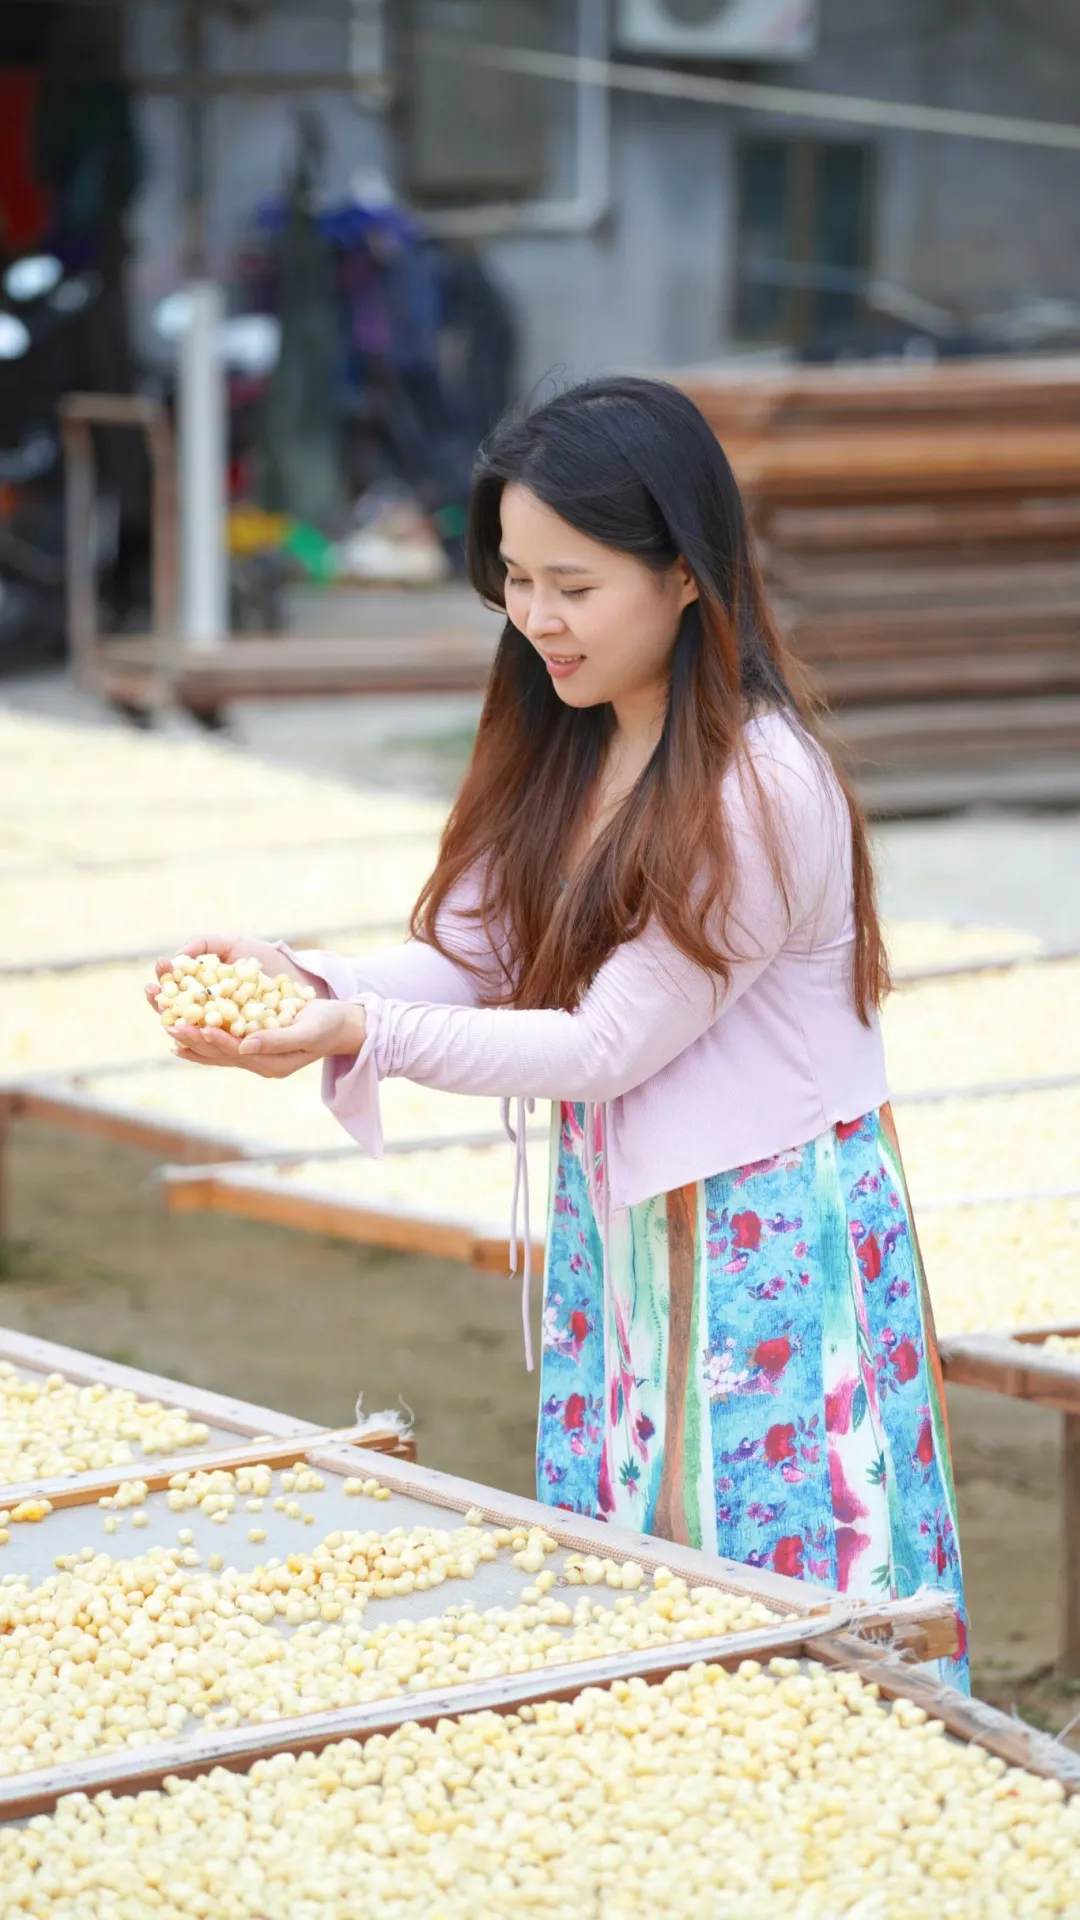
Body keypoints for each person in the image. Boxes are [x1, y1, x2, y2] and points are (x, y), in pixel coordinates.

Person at [153, 375, 967, 1685]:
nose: (536, 619)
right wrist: (305, 985)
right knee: (637, 1567)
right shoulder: (574, 739)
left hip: (761, 1235)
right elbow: (471, 959)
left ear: (688, 575)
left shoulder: (761, 785)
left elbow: (602, 1048)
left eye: (573, 586)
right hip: (629, 1216)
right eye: (516, 581)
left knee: (786, 1592)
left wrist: (358, 1030)